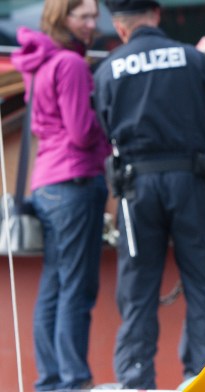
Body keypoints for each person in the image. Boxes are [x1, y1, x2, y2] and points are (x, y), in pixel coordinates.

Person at [92, 0, 205, 388]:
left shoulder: (108, 69)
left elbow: (106, 127)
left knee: (137, 289)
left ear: (120, 27)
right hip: (190, 180)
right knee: (204, 282)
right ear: (157, 14)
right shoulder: (193, 59)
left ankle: (136, 380)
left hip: (137, 188)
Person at [11, 0, 110, 389]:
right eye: (82, 16)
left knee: (54, 284)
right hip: (74, 182)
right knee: (76, 287)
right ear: (61, 18)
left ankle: (51, 379)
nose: (91, 24)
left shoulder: (39, 63)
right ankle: (73, 379)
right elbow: (82, 132)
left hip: (47, 183)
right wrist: (110, 132)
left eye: (92, 16)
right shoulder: (69, 64)